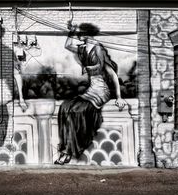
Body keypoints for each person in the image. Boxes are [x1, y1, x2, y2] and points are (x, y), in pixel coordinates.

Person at [54, 22, 126, 165]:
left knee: (77, 110)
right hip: (91, 89)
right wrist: (71, 31)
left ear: (88, 33)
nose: (78, 36)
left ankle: (67, 153)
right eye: (78, 34)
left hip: (101, 91)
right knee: (65, 107)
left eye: (80, 33)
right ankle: (66, 150)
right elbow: (67, 45)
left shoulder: (99, 50)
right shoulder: (82, 49)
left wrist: (119, 97)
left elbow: (112, 74)